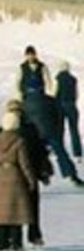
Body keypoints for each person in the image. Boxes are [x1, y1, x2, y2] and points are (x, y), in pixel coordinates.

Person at [15, 46, 84, 185]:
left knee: (32, 149)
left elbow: (48, 83)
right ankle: (71, 174)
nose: (30, 57)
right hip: (47, 124)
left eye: (32, 54)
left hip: (35, 122)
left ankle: (33, 175)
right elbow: (19, 83)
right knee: (58, 148)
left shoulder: (41, 68)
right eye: (28, 55)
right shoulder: (23, 69)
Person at [5, 99, 53, 248]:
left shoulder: (3, 131)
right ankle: (34, 235)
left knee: (14, 207)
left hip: (12, 175)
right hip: (31, 172)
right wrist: (44, 172)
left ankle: (15, 239)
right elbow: (40, 152)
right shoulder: (31, 129)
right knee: (32, 206)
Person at [0, 112, 37, 251]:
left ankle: (1, 244)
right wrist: (30, 179)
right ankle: (16, 243)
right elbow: (24, 163)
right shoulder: (19, 141)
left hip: (1, 177)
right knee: (17, 212)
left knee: (1, 214)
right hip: (16, 177)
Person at [54, 60, 81, 162]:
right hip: (71, 106)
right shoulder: (74, 79)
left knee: (60, 130)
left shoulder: (58, 78)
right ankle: (77, 154)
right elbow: (76, 94)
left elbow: (54, 92)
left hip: (60, 105)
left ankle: (60, 152)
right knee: (74, 130)